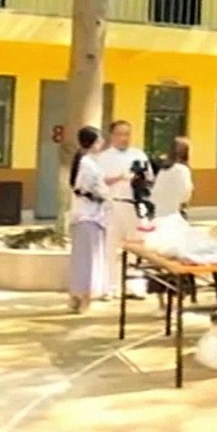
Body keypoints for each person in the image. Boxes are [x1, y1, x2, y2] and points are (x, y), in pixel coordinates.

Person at [67, 126, 121, 313]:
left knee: (80, 259)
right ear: (92, 143)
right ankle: (85, 298)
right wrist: (106, 196)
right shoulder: (87, 164)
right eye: (99, 140)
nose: (102, 143)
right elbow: (91, 188)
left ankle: (75, 296)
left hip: (85, 215)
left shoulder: (86, 161)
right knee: (89, 260)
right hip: (90, 215)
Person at [98, 120, 153, 299]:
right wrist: (120, 178)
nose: (124, 138)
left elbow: (149, 178)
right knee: (111, 247)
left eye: (127, 134)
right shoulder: (104, 157)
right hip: (113, 204)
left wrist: (140, 179)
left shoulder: (138, 154)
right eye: (120, 134)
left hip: (135, 205)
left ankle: (135, 286)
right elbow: (99, 182)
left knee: (136, 247)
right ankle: (110, 287)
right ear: (112, 136)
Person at [150, 137, 193, 219]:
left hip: (159, 212)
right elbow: (186, 191)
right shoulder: (182, 170)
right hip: (175, 212)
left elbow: (155, 192)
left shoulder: (164, 169)